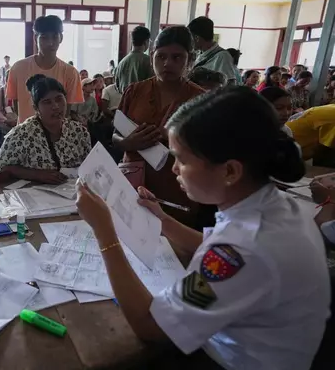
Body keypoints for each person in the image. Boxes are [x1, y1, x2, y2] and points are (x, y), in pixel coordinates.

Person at [76, 86, 329, 370]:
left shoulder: (240, 250)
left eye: (182, 160)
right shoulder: (275, 204)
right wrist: (164, 221)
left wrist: (105, 233)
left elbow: (151, 326)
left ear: (230, 171)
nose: (174, 170)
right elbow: (213, 244)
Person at [112, 26, 206, 226]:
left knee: (172, 244)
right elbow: (114, 135)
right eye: (161, 56)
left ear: (190, 59)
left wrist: (174, 138)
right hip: (134, 180)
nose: (167, 63)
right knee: (132, 237)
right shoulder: (135, 91)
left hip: (175, 185)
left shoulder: (200, 99)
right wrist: (128, 142)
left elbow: (209, 149)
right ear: (152, 56)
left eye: (176, 57)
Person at [0, 75, 91, 183]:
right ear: (36, 108)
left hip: (75, 195)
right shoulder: (22, 134)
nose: (55, 106)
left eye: (59, 99)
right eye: (47, 102)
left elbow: (91, 168)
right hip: (34, 197)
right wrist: (36, 174)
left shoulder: (78, 132)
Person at [7, 15, 83, 124]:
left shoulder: (71, 73)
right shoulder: (18, 68)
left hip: (55, 134)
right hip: (25, 134)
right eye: (44, 37)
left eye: (54, 37)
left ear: (61, 38)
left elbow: (66, 110)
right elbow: (16, 105)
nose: (50, 43)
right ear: (35, 38)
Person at [188, 16, 237, 84]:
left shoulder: (222, 56)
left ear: (196, 38)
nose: (189, 42)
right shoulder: (199, 54)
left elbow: (230, 85)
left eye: (190, 38)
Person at [115, 26, 153, 93]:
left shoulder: (121, 63)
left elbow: (117, 87)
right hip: (142, 102)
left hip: (125, 101)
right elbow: (153, 85)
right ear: (146, 42)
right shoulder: (148, 61)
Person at [0, 70, 17, 150]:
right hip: (4, 124)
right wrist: (6, 120)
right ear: (6, 79)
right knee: (4, 145)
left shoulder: (22, 91)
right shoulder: (1, 92)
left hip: (18, 123)